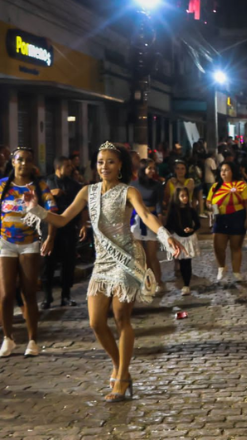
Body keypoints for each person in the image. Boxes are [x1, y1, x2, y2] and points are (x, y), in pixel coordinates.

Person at [27, 143, 182, 401]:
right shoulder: (88, 191)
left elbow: (145, 215)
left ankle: (121, 376)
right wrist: (36, 209)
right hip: (102, 262)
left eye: (110, 161)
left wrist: (165, 236)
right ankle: (119, 365)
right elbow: (63, 219)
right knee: (96, 322)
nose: (104, 166)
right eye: (100, 161)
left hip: (125, 259)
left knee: (121, 316)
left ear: (120, 165)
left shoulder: (128, 192)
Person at [0, 148, 58, 358]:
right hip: (5, 243)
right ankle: (8, 338)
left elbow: (52, 211)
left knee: (28, 292)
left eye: (28, 160)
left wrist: (50, 237)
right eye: (19, 160)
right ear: (13, 162)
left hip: (29, 244)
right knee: (5, 294)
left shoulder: (39, 186)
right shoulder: (3, 186)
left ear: (33, 164)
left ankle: (33, 340)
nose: (23, 164)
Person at [43, 156, 84, 309]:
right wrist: (51, 194)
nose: (71, 168)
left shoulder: (74, 185)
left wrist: (82, 225)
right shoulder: (45, 183)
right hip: (48, 228)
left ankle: (66, 295)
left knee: (68, 263)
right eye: (67, 166)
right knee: (48, 263)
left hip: (68, 228)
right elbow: (37, 202)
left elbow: (81, 207)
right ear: (58, 167)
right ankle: (47, 298)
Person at [206, 161, 247, 282]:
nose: (223, 173)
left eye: (226, 170)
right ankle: (221, 267)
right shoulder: (215, 186)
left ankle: (236, 272)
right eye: (221, 170)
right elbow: (209, 201)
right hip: (220, 218)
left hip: (237, 217)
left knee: (235, 246)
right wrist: (211, 207)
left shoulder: (241, 185)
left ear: (232, 171)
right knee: (218, 246)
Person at [130, 159, 165, 292]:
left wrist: (160, 220)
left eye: (153, 168)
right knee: (140, 255)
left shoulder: (157, 185)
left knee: (152, 254)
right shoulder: (133, 185)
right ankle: (147, 281)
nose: (152, 171)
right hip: (136, 221)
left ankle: (158, 281)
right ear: (143, 169)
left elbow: (159, 204)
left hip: (151, 218)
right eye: (149, 168)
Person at [165, 186, 200, 296]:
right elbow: (169, 225)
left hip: (188, 238)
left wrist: (191, 229)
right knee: (181, 262)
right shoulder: (173, 211)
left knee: (187, 262)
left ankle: (186, 285)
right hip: (178, 238)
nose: (185, 198)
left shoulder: (191, 210)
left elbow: (198, 224)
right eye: (182, 196)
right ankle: (184, 282)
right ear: (177, 197)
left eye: (186, 196)